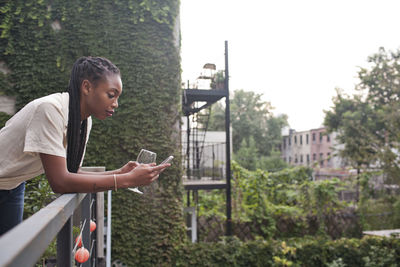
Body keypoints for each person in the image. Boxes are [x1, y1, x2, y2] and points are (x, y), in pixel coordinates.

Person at [0, 56, 170, 235]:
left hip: (13, 185)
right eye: (111, 95)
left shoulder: (83, 121)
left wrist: (120, 173)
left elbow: (72, 172)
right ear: (87, 87)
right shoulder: (50, 109)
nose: (116, 104)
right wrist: (127, 180)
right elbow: (60, 182)